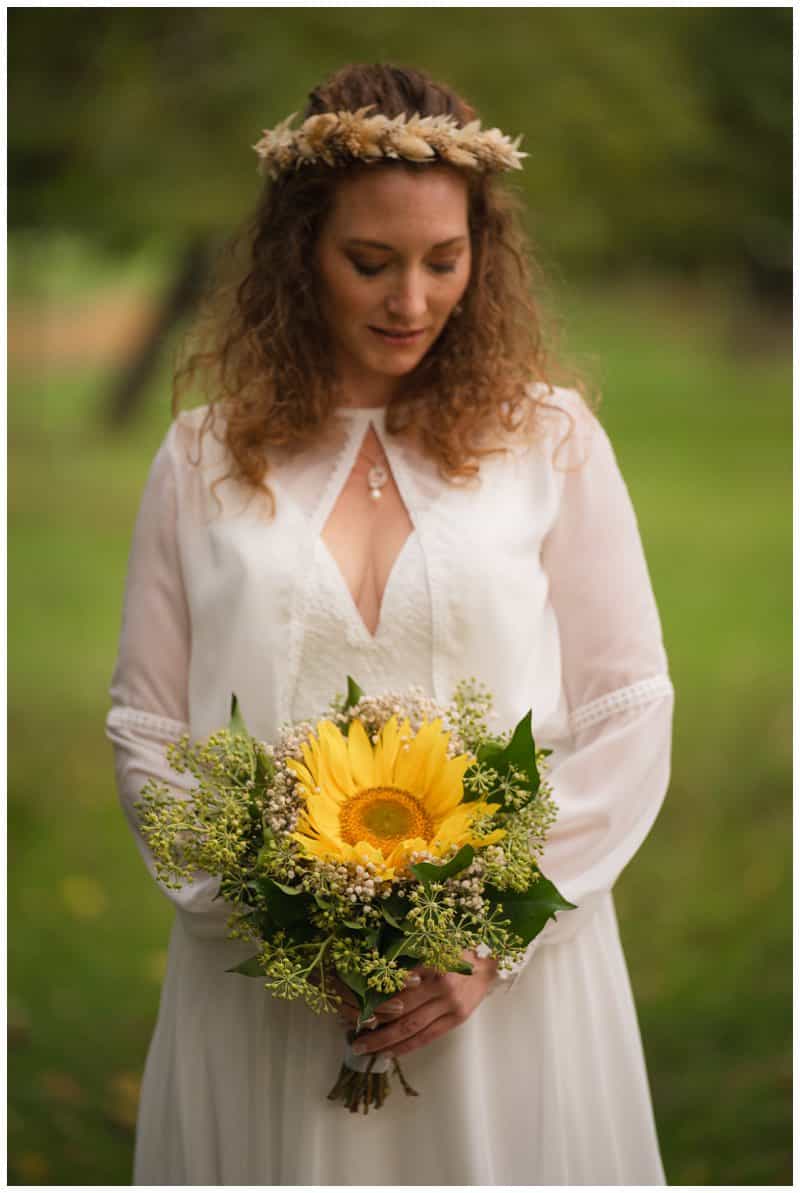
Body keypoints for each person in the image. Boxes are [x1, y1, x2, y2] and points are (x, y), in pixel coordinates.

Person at [106, 63, 674, 1185]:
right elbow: (146, 726)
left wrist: (492, 939)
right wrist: (281, 927)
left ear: (481, 258)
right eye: (369, 261)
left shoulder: (548, 441)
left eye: (442, 261)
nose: (408, 300)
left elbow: (625, 705)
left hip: (508, 993)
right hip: (266, 999)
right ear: (297, 253)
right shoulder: (202, 457)